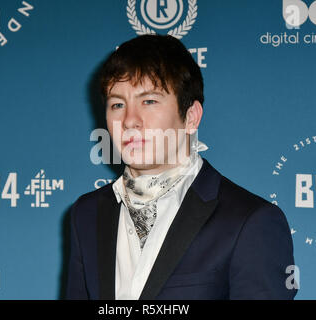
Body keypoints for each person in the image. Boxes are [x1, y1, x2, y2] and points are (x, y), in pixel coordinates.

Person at [66, 34, 297, 300]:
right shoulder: (87, 214)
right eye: (117, 104)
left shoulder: (250, 222)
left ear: (190, 117)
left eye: (149, 101)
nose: (130, 120)